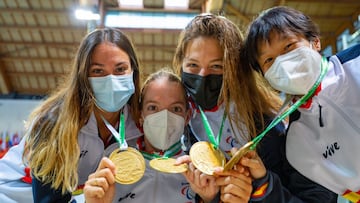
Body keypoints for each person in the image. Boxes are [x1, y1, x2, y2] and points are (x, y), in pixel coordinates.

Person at [173, 13, 337, 203]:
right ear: (181, 65)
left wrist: (260, 189)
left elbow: (318, 198)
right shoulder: (183, 121)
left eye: (217, 66)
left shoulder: (273, 127)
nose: (203, 76)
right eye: (193, 65)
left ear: (235, 70)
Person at [243, 5, 360, 202]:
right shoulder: (297, 145)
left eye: (288, 47)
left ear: (315, 42)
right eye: (269, 60)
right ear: (265, 76)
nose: (282, 62)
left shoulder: (356, 64)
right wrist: (263, 184)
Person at [21, 27, 142, 202]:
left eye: (120, 69)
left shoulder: (144, 120)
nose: (111, 81)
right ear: (83, 76)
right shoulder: (53, 125)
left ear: (133, 71)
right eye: (98, 71)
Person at [83, 68, 208, 203]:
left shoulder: (199, 171)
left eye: (175, 109)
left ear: (187, 117)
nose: (164, 117)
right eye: (153, 108)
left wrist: (211, 199)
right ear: (140, 116)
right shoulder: (112, 160)